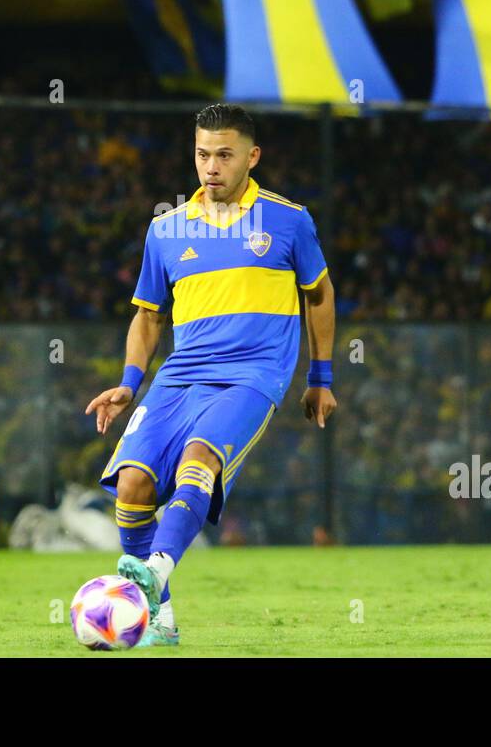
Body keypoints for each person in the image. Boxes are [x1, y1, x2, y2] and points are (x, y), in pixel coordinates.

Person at [83, 103, 337, 646]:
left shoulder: (288, 220)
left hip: (253, 375)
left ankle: (153, 573)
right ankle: (161, 618)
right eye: (203, 154)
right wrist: (129, 381)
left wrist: (321, 377)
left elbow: (319, 295)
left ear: (253, 156)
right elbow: (148, 315)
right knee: (132, 483)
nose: (212, 166)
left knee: (200, 457)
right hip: (179, 376)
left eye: (225, 155)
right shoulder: (167, 229)